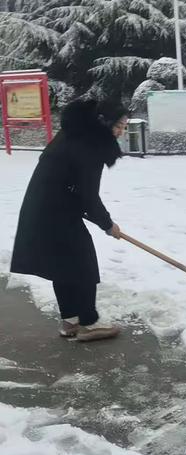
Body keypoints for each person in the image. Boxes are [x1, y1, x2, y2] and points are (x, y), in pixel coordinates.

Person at [11, 98, 128, 342]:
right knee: (83, 264)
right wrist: (108, 225)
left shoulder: (76, 135)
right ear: (103, 123)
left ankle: (70, 323)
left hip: (44, 209)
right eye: (118, 125)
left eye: (124, 126)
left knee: (64, 266)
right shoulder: (90, 146)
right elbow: (88, 195)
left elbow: (70, 183)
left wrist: (78, 201)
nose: (121, 131)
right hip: (55, 212)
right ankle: (87, 324)